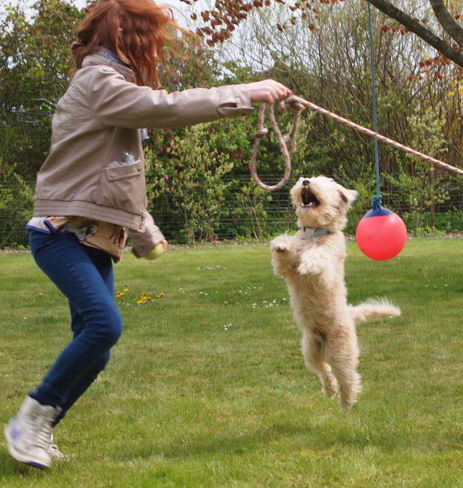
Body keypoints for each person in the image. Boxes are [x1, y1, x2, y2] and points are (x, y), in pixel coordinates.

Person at [3, 0, 293, 469]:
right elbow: (167, 107)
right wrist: (245, 91)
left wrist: (143, 231)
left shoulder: (113, 88)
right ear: (129, 40)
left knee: (96, 350)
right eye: (150, 42)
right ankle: (27, 421)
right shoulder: (98, 82)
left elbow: (121, 175)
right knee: (104, 326)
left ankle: (38, 432)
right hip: (59, 235)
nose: (155, 52)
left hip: (94, 239)